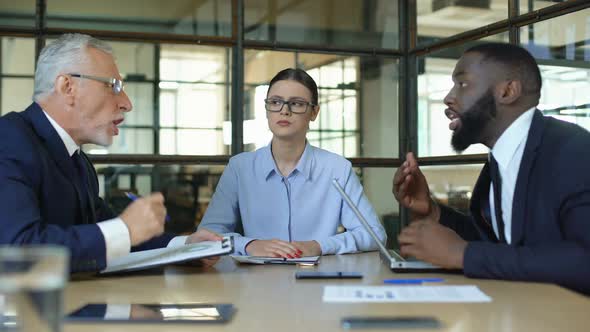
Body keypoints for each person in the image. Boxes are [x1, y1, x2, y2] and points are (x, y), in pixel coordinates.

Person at [0, 33, 221, 273]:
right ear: (67, 87)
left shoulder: (78, 160)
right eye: (113, 86)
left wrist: (184, 246)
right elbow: (17, 250)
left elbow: (107, 232)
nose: (127, 103)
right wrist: (124, 230)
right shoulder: (8, 139)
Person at [392, 42, 590, 294]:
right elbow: (499, 245)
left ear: (507, 91)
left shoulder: (574, 151)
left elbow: (585, 260)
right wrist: (432, 212)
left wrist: (464, 255)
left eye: (462, 84)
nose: (448, 97)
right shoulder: (502, 157)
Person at [199, 68, 386, 258]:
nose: (284, 111)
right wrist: (249, 245)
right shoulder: (240, 168)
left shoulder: (337, 168)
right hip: (255, 280)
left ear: (314, 112)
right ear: (266, 108)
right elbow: (206, 236)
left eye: (296, 104)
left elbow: (374, 235)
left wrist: (319, 246)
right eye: (275, 102)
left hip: (317, 279)